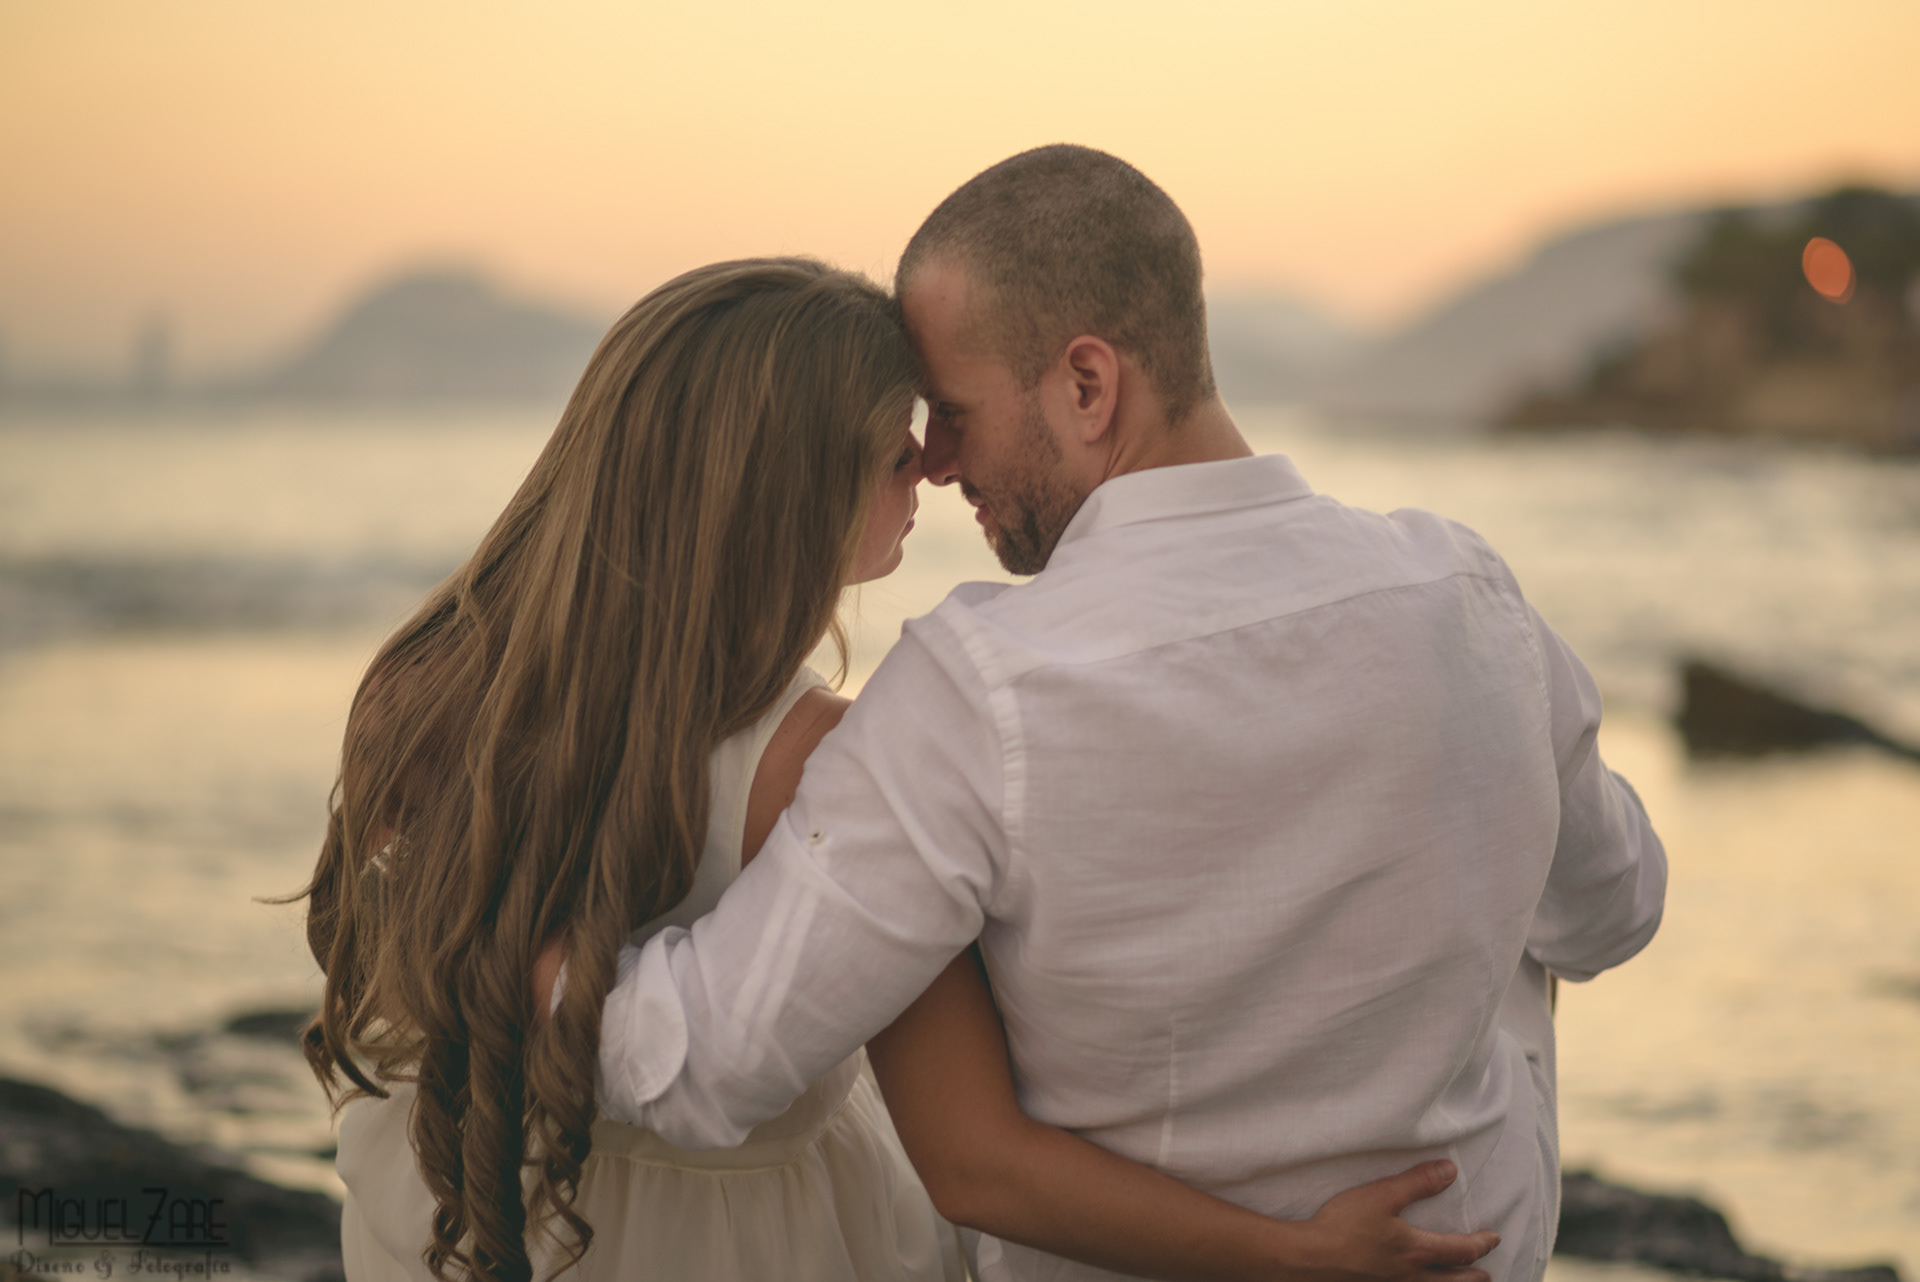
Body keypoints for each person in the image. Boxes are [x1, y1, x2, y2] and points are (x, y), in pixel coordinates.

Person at [300, 257, 1498, 1282]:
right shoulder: (817, 760)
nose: (931, 470)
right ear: (785, 490)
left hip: (478, 1209)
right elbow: (977, 1161)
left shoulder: (425, 687)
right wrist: (1289, 1251)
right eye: (895, 449)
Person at [588, 146, 1668, 1282]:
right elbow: (1616, 906)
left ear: (1088, 386)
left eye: (954, 412)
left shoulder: (976, 692)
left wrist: (516, 978)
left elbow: (699, 1063)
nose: (937, 462)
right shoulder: (1464, 597)